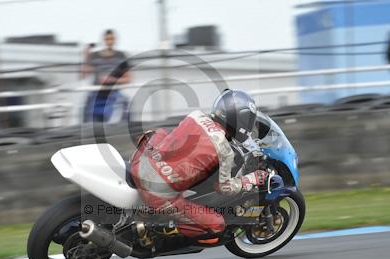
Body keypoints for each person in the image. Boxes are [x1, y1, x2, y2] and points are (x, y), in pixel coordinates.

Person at [129, 89, 268, 244]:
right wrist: (250, 179)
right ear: (240, 120)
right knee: (216, 226)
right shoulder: (225, 150)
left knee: (161, 133)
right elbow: (224, 188)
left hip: (142, 163)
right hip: (158, 194)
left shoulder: (196, 115)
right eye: (248, 120)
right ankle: (156, 228)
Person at [81, 29, 132, 122]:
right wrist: (86, 55)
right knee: (89, 119)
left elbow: (128, 79)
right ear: (103, 40)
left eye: (111, 38)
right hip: (96, 95)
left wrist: (111, 79)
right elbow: (84, 75)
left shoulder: (121, 56)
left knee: (120, 115)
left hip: (113, 94)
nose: (109, 41)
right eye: (107, 39)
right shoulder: (94, 55)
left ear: (115, 40)